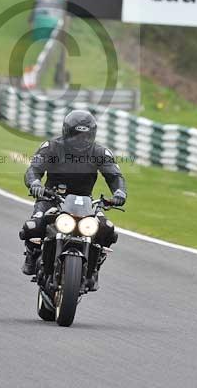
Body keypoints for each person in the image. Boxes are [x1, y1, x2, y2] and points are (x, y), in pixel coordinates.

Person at [20, 109, 127, 275]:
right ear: (66, 132)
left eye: (85, 136)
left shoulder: (100, 153)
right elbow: (34, 169)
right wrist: (35, 183)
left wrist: (119, 193)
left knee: (108, 230)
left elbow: (115, 176)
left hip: (85, 203)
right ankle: (32, 255)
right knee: (34, 225)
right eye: (76, 135)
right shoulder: (52, 147)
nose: (81, 140)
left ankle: (95, 263)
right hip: (52, 198)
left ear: (92, 135)